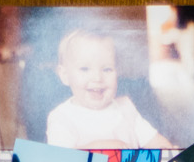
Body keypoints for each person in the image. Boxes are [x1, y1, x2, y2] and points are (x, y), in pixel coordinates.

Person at [44, 28, 174, 150]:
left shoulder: (126, 108)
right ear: (65, 75)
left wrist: (170, 151)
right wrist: (102, 146)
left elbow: (154, 141)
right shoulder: (61, 118)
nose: (97, 78)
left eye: (107, 69)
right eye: (85, 69)